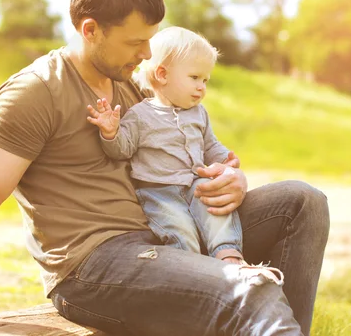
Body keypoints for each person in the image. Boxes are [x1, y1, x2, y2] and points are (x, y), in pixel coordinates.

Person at [0, 0, 329, 336]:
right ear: (90, 30)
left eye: (151, 40)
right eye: (134, 43)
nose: (146, 53)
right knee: (249, 290)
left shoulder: (132, 83)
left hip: (162, 233)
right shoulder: (35, 92)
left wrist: (233, 180)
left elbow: (180, 144)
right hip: (93, 268)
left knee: (301, 202)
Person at [88, 26, 246, 265]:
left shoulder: (198, 113)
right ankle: (194, 268)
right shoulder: (140, 115)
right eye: (194, 78)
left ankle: (228, 254)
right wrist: (111, 133)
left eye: (205, 80)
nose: (202, 86)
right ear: (162, 74)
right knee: (179, 228)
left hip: (195, 184)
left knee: (217, 208)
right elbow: (123, 149)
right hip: (159, 192)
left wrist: (225, 161)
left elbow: (209, 145)